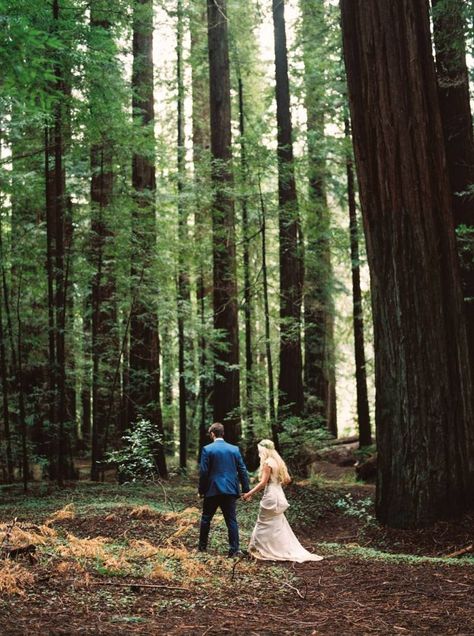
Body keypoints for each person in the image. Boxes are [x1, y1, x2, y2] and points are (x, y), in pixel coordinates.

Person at [242, 439, 323, 563]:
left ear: (264, 450)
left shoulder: (267, 463)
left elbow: (263, 483)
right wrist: (276, 484)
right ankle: (271, 547)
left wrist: (248, 493)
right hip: (279, 494)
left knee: (262, 522)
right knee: (276, 524)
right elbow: (287, 479)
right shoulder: (278, 461)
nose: (259, 453)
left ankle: (257, 549)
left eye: (260, 451)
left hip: (271, 496)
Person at [198, 422, 250, 557]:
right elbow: (242, 470)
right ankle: (234, 550)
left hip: (212, 490)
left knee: (206, 519)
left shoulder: (207, 449)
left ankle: (202, 549)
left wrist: (201, 490)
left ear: (212, 434)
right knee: (231, 520)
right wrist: (246, 489)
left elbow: (204, 472)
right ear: (223, 434)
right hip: (230, 490)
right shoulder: (234, 449)